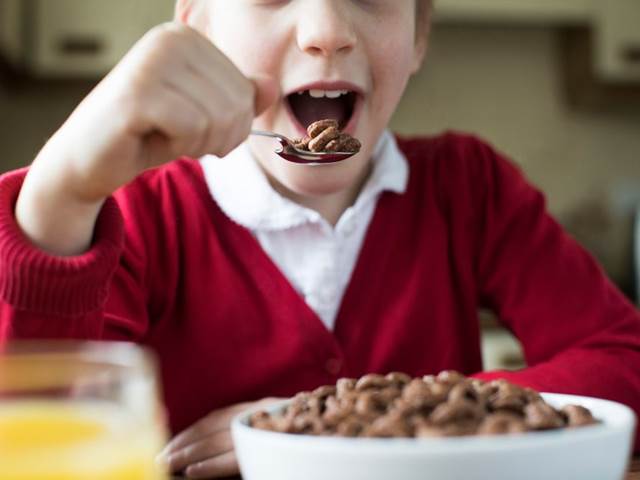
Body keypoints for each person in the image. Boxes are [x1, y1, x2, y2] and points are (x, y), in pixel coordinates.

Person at [0, 0, 638, 477]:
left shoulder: (470, 190)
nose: (328, 31)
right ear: (197, 28)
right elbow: (37, 419)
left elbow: (624, 355)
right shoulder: (140, 215)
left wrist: (362, 426)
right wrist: (62, 193)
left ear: (417, 35)